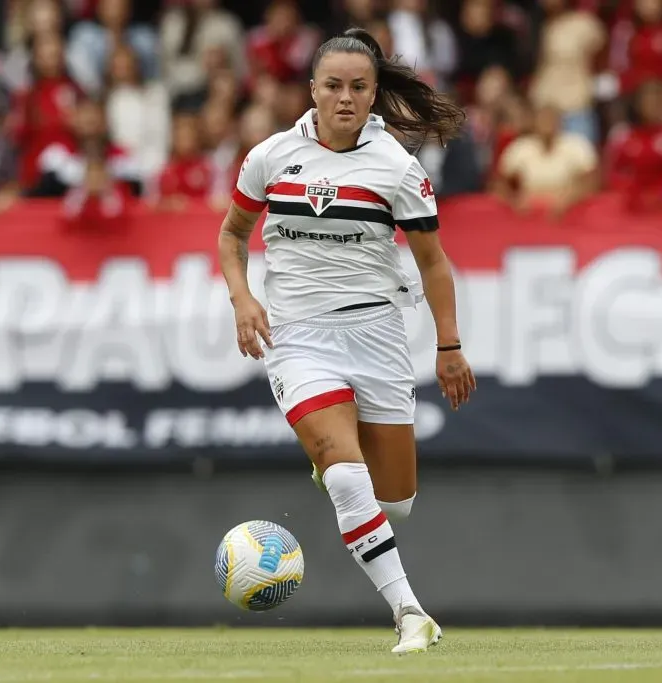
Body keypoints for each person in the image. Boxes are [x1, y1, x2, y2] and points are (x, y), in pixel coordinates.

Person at [216, 27, 473, 654]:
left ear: (374, 93)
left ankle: (333, 459)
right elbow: (232, 234)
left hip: (377, 334)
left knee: (396, 503)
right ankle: (410, 614)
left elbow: (433, 262)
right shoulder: (270, 156)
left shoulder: (397, 168)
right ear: (313, 90)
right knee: (345, 476)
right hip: (297, 336)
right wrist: (243, 298)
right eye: (333, 85)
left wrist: (448, 346)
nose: (345, 98)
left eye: (359, 87)